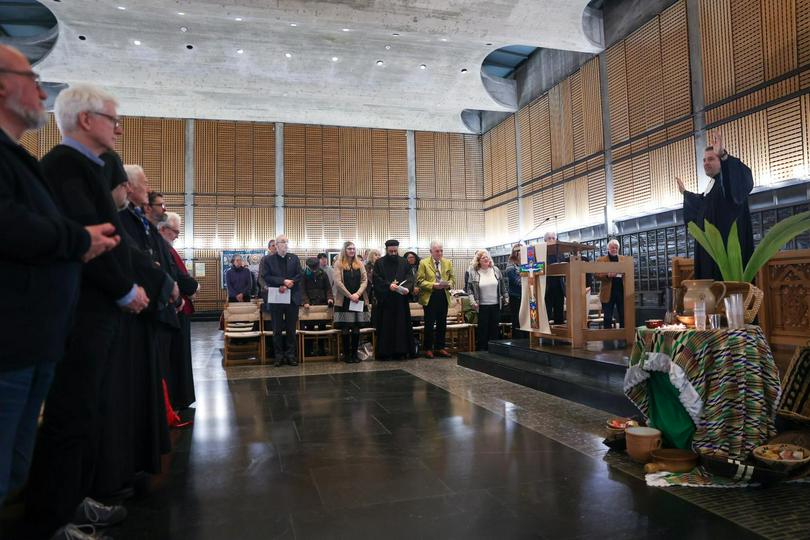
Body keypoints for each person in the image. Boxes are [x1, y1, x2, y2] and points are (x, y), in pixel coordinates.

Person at [25, 83, 149, 539]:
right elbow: (93, 240)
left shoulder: (87, 169)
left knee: (84, 413)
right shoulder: (64, 166)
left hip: (98, 310)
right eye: (113, 118)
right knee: (69, 417)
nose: (118, 127)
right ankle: (52, 518)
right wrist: (125, 289)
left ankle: (71, 501)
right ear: (86, 120)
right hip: (83, 311)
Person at [0, 44, 120, 513]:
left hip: (37, 338)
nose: (42, 89)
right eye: (31, 77)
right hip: (13, 339)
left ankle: (59, 512)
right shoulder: (55, 164)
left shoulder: (21, 159)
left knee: (16, 464)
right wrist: (75, 238)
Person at [678, 131, 754, 280]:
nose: (706, 163)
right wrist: (685, 194)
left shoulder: (728, 181)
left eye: (711, 159)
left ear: (721, 162)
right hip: (710, 257)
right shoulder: (711, 187)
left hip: (728, 258)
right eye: (704, 160)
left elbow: (737, 190)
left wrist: (724, 155)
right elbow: (701, 206)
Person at [158, 212, 198, 410]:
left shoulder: (168, 248)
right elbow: (174, 275)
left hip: (180, 307)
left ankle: (180, 397)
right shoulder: (162, 248)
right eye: (175, 232)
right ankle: (176, 399)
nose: (176, 236)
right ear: (163, 229)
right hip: (173, 308)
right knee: (173, 357)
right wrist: (193, 287)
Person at [262, 235, 302, 366]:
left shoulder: (294, 258)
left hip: (292, 297)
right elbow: (266, 276)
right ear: (276, 245)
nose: (285, 244)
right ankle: (278, 356)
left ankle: (291, 355)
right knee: (277, 329)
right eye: (282, 242)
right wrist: (282, 281)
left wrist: (291, 282)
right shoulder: (269, 259)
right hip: (277, 297)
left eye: (286, 242)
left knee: (291, 329)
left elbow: (299, 274)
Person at [373, 240, 415, 360]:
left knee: (401, 326)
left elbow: (410, 278)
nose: (393, 253)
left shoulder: (404, 262)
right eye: (390, 251)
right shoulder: (379, 263)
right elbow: (376, 279)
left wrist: (406, 288)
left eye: (395, 251)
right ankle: (385, 353)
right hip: (386, 301)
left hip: (400, 301)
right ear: (386, 250)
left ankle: (401, 351)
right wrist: (388, 286)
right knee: (386, 327)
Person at [416, 240, 456, 359]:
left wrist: (448, 284)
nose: (439, 253)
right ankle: (428, 348)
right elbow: (419, 281)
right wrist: (432, 285)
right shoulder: (423, 263)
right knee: (429, 324)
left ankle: (440, 347)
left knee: (442, 324)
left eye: (441, 251)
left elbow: (453, 279)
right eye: (437, 251)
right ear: (431, 252)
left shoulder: (447, 262)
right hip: (430, 296)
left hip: (443, 296)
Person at [332, 242, 370, 363]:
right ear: (344, 250)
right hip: (344, 300)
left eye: (353, 248)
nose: (352, 250)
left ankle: (355, 354)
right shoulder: (338, 264)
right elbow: (338, 283)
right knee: (345, 328)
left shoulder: (360, 263)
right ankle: (347, 355)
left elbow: (365, 280)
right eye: (349, 248)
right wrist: (350, 295)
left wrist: (357, 294)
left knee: (356, 328)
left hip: (358, 300)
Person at [466, 250, 509, 351]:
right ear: (478, 261)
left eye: (487, 257)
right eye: (483, 257)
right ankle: (482, 351)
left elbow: (502, 286)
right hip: (482, 306)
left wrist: (506, 297)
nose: (486, 259)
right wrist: (473, 302)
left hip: (495, 305)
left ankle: (494, 350)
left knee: (494, 329)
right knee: (483, 330)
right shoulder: (474, 272)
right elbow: (469, 289)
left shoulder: (496, 270)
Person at [596, 239, 628, 330]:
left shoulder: (624, 259)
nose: (614, 249)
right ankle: (608, 338)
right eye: (612, 247)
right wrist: (607, 275)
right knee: (608, 316)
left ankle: (623, 335)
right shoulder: (601, 260)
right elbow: (596, 275)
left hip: (621, 292)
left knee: (623, 315)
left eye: (616, 248)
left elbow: (630, 273)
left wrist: (624, 274)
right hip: (607, 293)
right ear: (608, 249)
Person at [544, 231, 565, 325]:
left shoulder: (559, 253)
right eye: (549, 238)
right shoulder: (542, 252)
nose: (552, 240)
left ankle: (560, 336)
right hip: (547, 287)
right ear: (545, 241)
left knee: (559, 313)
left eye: (553, 238)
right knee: (546, 313)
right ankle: (545, 337)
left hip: (559, 286)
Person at [504, 244, 525, 339]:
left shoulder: (524, 263)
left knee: (525, 319)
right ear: (516, 253)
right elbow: (517, 281)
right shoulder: (511, 266)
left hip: (525, 295)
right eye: (520, 251)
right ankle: (517, 340)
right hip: (516, 296)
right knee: (516, 320)